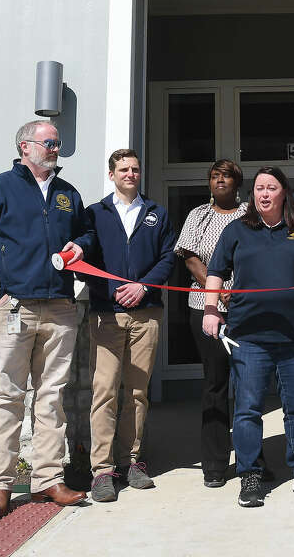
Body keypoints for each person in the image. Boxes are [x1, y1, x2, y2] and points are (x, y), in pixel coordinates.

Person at [0, 120, 96, 520]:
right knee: (7, 396)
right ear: (25, 147)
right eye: (49, 142)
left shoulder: (67, 194)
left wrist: (80, 245)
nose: (56, 148)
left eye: (58, 143)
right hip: (13, 307)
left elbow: (87, 234)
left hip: (59, 306)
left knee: (52, 396)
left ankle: (48, 480)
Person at [202, 166, 294, 507]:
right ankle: (249, 475)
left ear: (284, 193)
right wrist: (210, 309)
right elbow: (217, 271)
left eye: (271, 188)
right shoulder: (237, 230)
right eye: (259, 188)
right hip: (249, 335)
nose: (263, 194)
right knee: (248, 409)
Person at [82, 149, 175, 502]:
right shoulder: (94, 214)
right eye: (123, 169)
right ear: (112, 174)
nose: (131, 174)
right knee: (104, 391)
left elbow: (169, 257)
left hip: (146, 312)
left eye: (135, 169)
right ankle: (102, 470)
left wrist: (144, 286)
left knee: (137, 392)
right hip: (105, 313)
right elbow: (84, 259)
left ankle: (132, 461)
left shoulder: (156, 214)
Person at [174, 159, 250, 488]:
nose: (220, 181)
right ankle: (215, 464)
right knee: (215, 385)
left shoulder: (250, 213)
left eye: (227, 176)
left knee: (251, 384)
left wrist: (240, 293)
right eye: (215, 176)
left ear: (237, 183)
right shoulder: (197, 216)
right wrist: (219, 294)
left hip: (248, 308)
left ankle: (251, 460)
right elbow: (190, 257)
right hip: (206, 309)